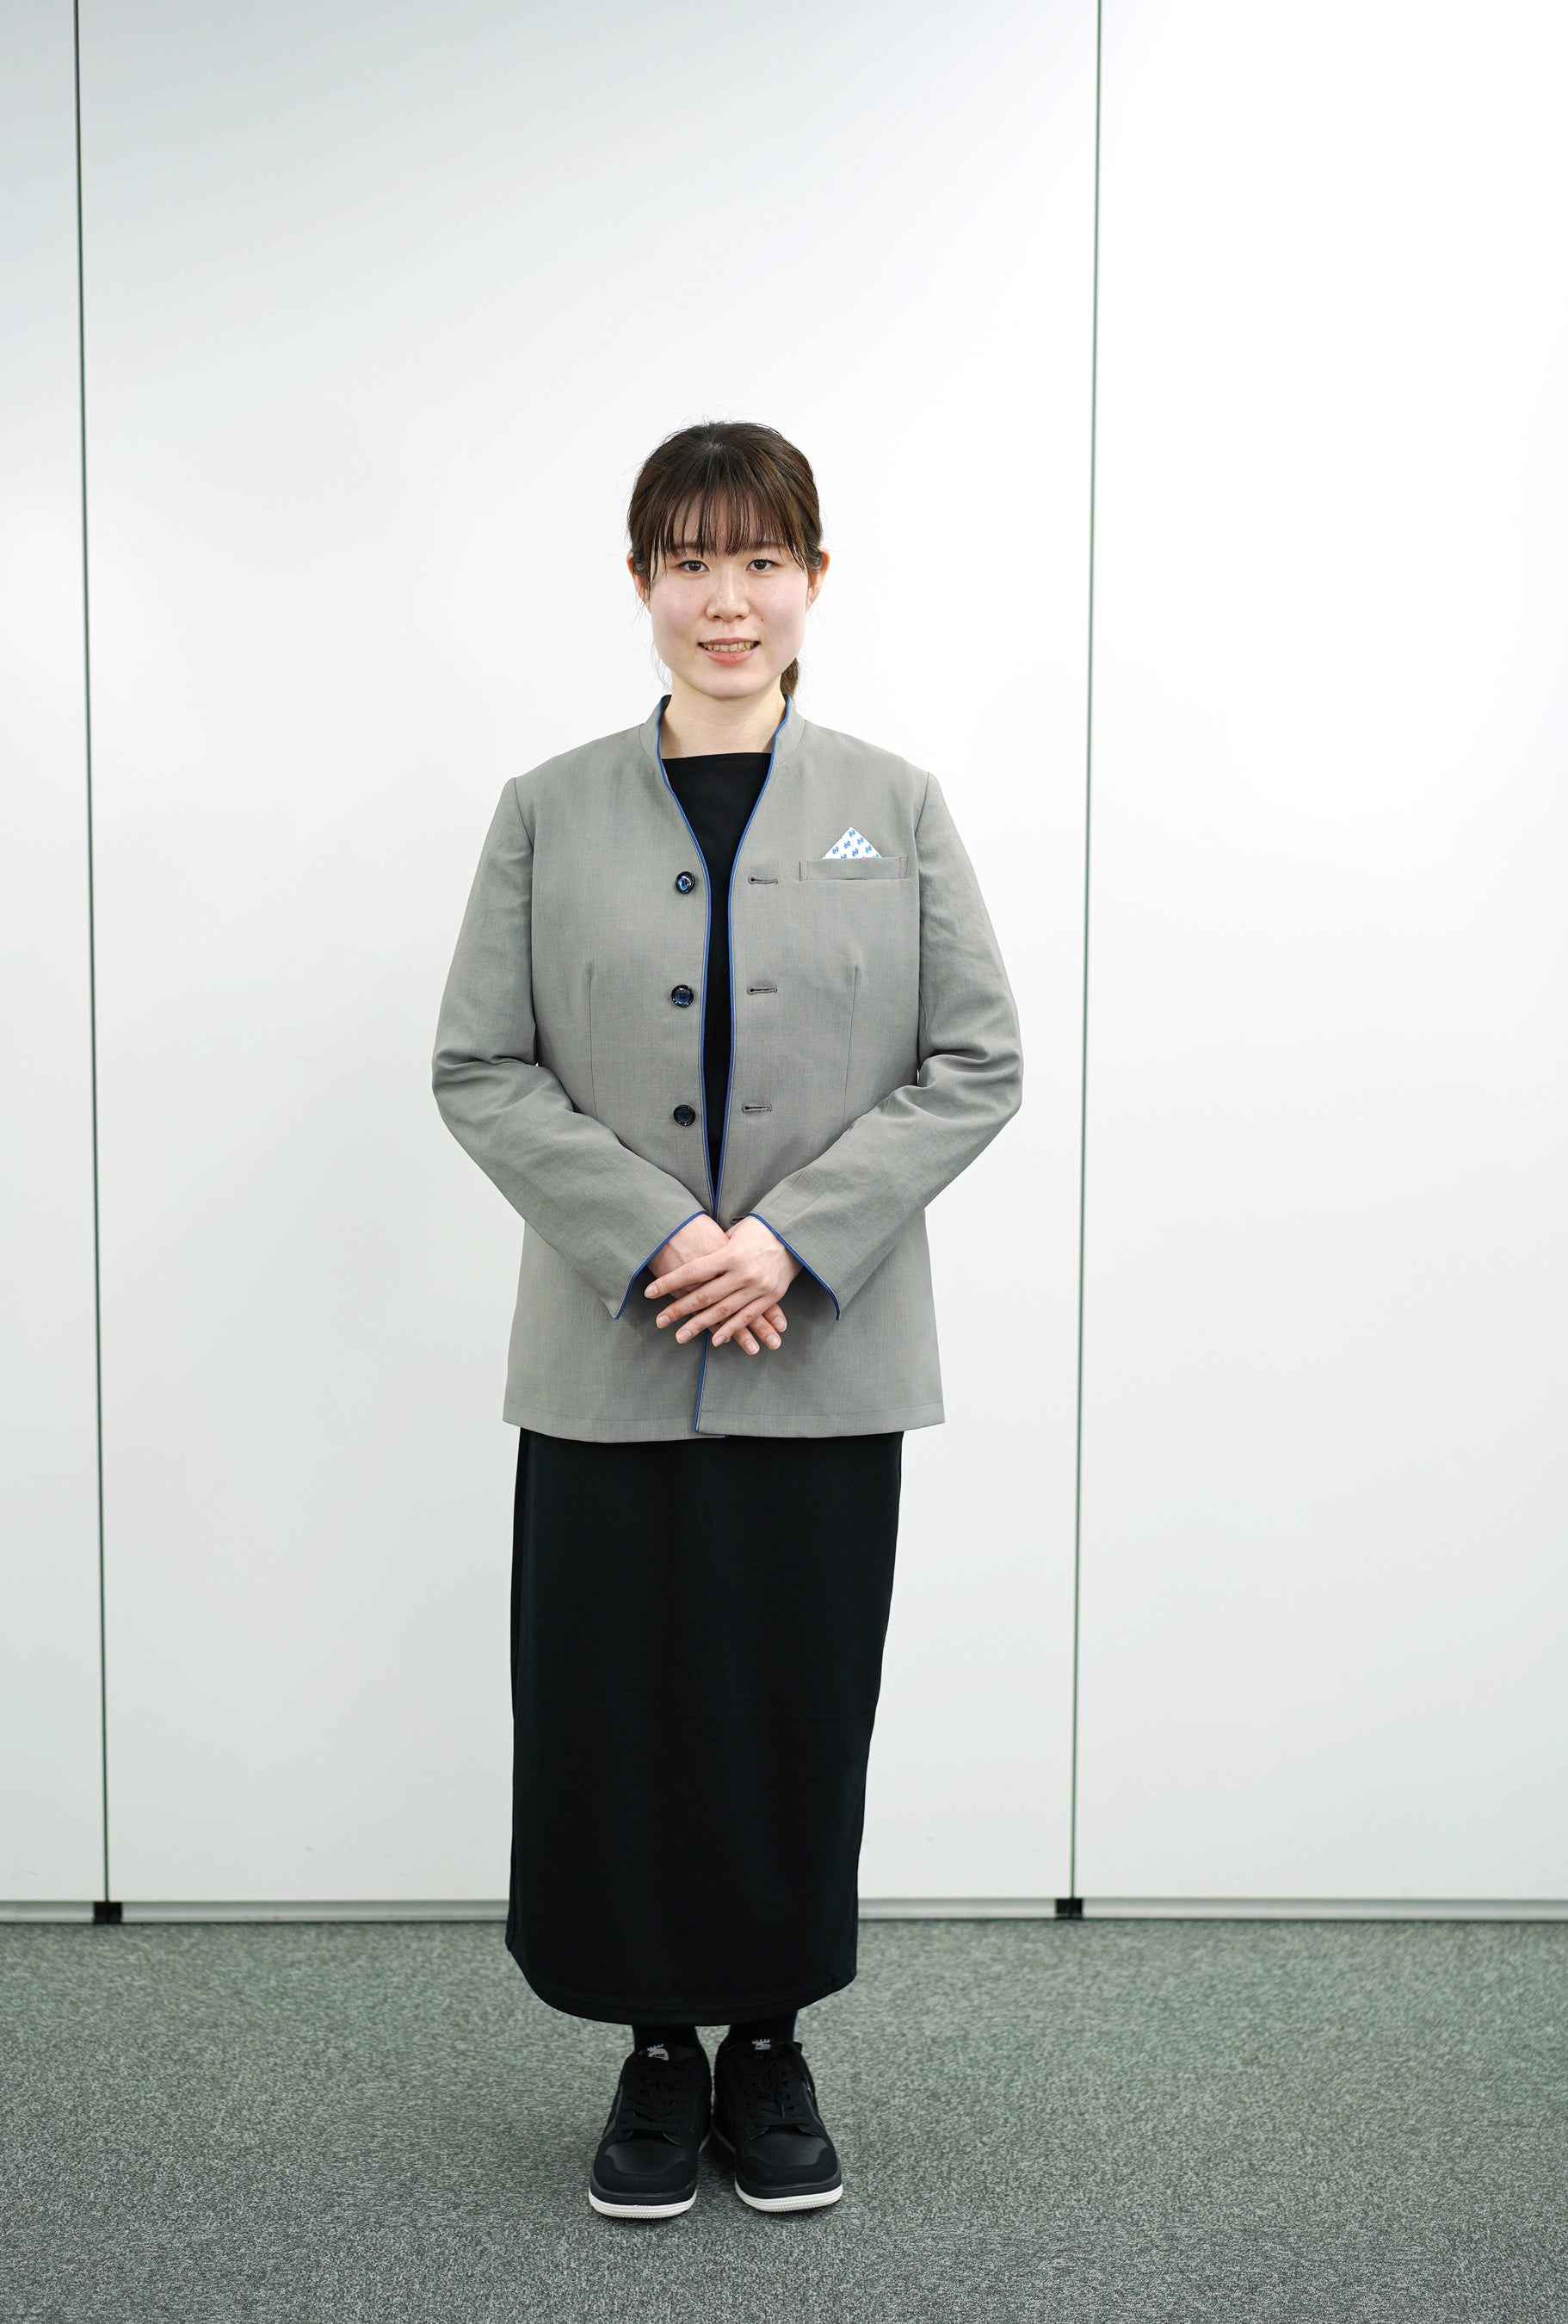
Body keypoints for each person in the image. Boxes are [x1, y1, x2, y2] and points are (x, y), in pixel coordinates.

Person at [431, 419, 1022, 2219]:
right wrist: (660, 1238)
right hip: (605, 1364)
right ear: (639, 583)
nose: (726, 598)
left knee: (787, 1708)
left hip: (821, 1357)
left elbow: (974, 1061)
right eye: (688, 560)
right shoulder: (546, 808)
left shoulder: (891, 805)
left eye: (760, 559)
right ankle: (649, 2048)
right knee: (611, 1713)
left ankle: (766, 2043)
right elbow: (479, 1065)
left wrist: (786, 1244)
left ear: (813, 579)